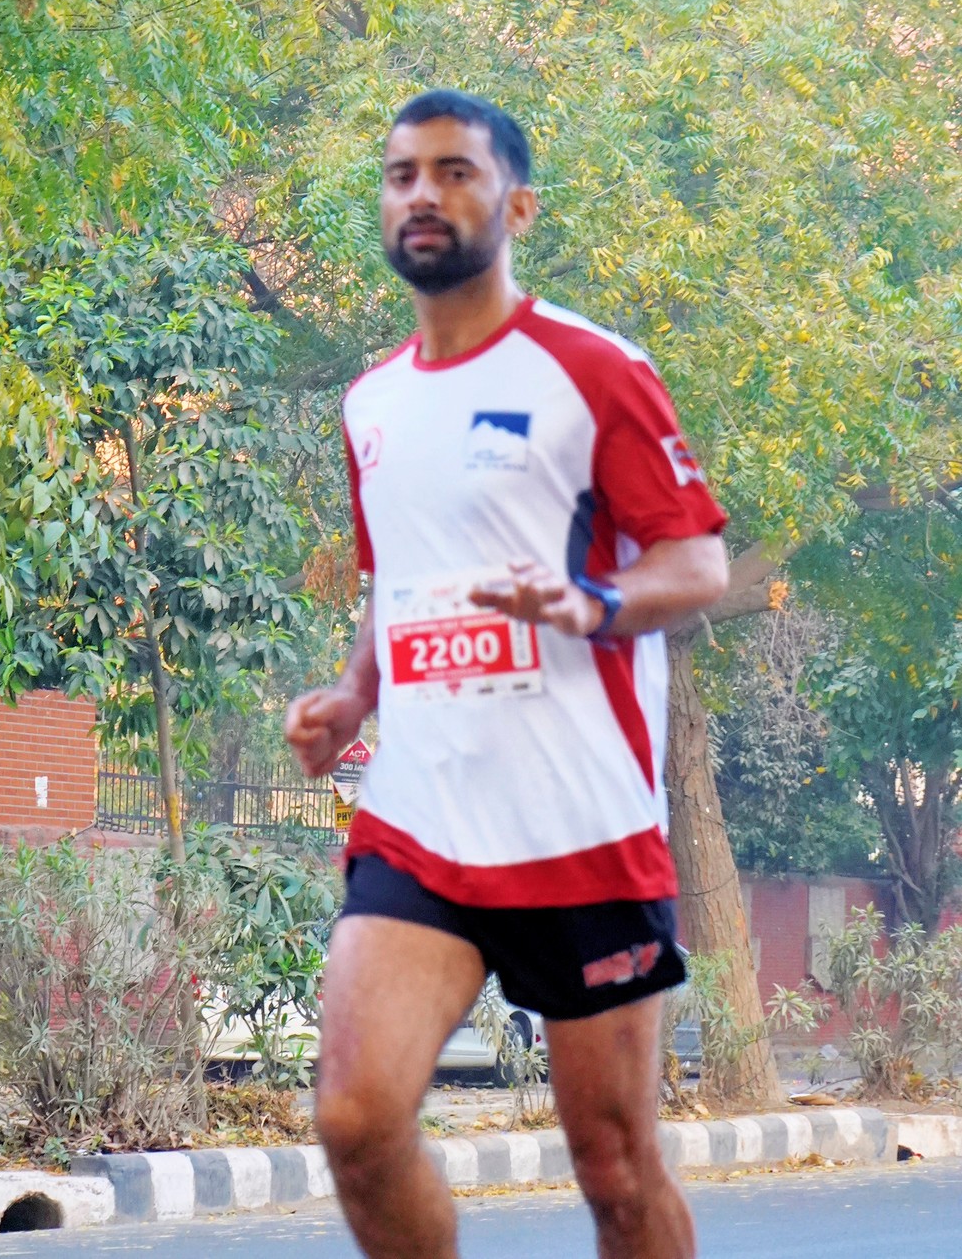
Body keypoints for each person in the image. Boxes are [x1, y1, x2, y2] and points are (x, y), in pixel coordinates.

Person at [285, 90, 729, 1259]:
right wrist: (354, 693)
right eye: (400, 175)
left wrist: (593, 602)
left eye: (454, 171)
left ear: (516, 205)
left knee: (615, 1169)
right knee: (355, 1119)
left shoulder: (591, 368)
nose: (422, 193)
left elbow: (695, 561)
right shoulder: (370, 402)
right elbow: (395, 576)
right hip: (422, 820)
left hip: (578, 825)